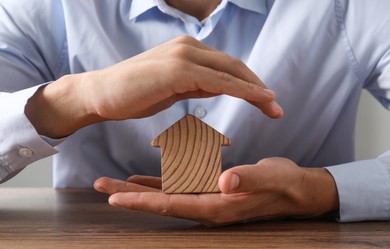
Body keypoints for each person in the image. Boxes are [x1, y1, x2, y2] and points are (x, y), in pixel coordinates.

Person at [0, 0, 389, 226]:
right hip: (94, 238)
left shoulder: (358, 8)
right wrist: (76, 97)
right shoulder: (42, 8)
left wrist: (320, 189)